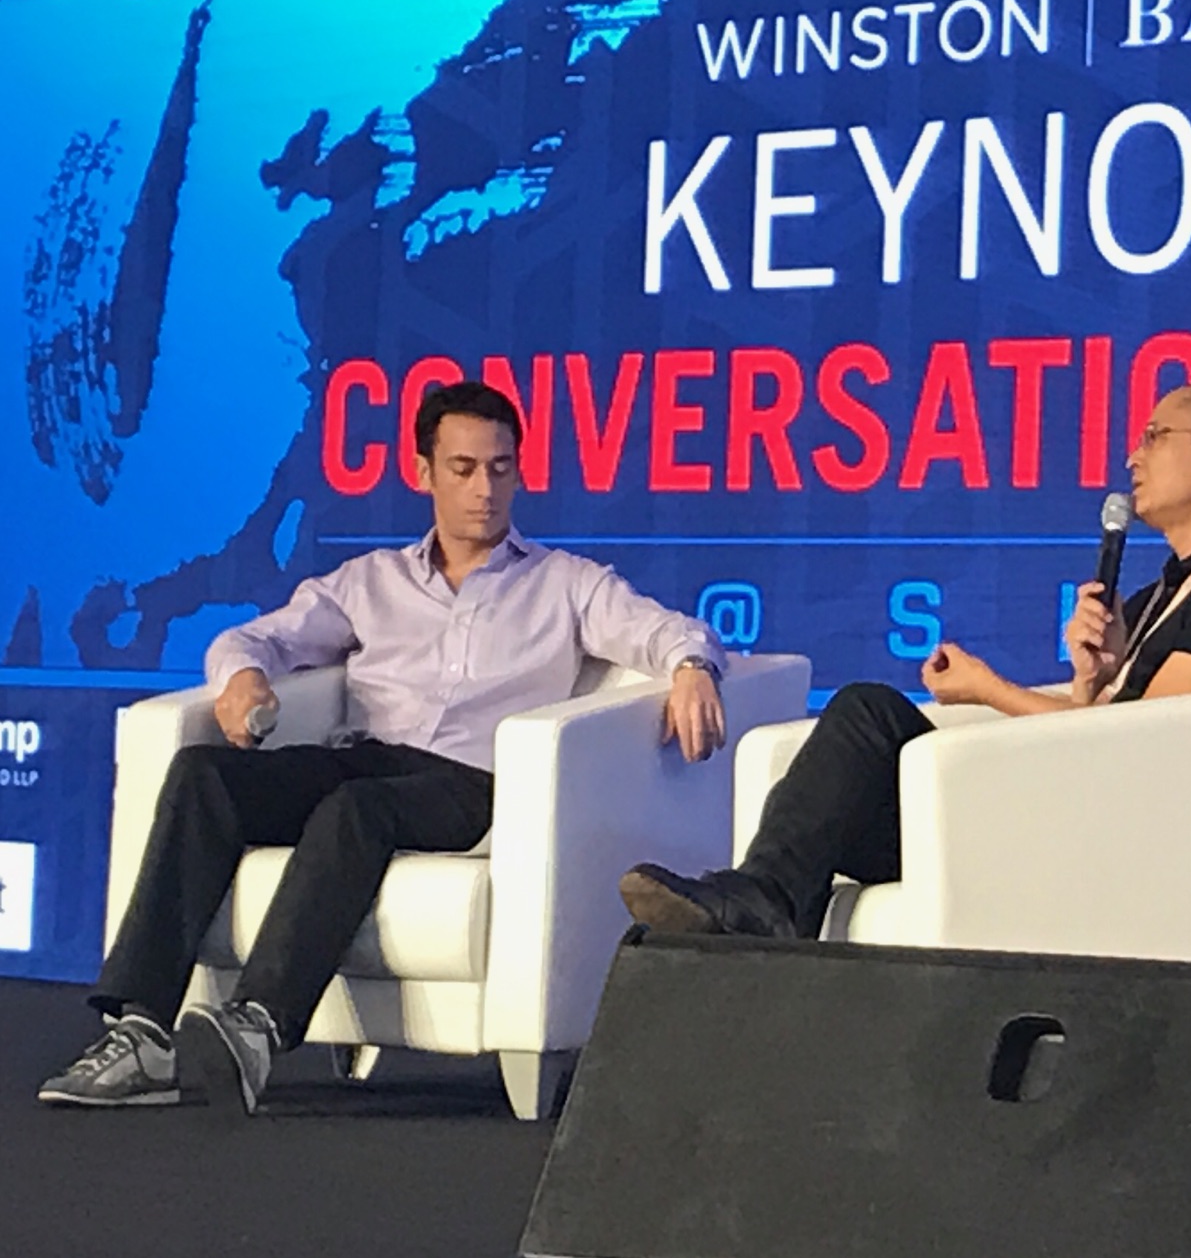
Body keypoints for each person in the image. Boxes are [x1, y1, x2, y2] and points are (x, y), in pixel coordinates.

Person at [39, 380, 726, 1117]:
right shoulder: (370, 581)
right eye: (464, 468)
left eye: (500, 468)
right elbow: (256, 637)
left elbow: (668, 630)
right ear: (424, 472)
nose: (485, 489)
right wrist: (241, 678)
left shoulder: (565, 584)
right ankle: (142, 1030)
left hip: (471, 783)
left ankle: (259, 1024)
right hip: (365, 755)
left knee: (357, 808)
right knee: (206, 774)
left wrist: (692, 666)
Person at [620, 382, 1191, 941]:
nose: (1134, 456)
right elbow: (1106, 732)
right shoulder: (1159, 593)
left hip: (1123, 840)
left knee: (868, 715)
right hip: (1076, 808)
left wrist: (988, 689)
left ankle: (765, 901)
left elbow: (1152, 745)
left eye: (1156, 436)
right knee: (860, 734)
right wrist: (1091, 682)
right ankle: (764, 899)